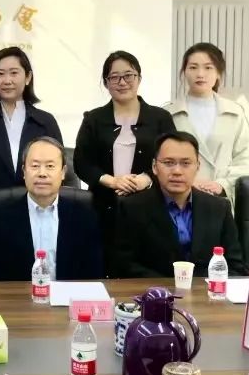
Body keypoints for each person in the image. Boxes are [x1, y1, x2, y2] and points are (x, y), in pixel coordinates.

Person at [0, 47, 63, 278]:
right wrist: (0, 207)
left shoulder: (45, 122)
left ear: (27, 77)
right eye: (0, 74)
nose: (7, 80)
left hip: (36, 216)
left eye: (14, 73)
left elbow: (54, 168)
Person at [74, 51, 176, 272]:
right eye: (114, 77)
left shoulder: (160, 118)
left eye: (128, 75)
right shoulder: (93, 119)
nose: (122, 82)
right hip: (102, 206)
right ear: (106, 82)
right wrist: (112, 181)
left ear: (139, 78)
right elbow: (82, 162)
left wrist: (146, 179)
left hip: (149, 206)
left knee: (143, 267)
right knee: (103, 266)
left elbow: (170, 159)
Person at [114, 132, 246, 278]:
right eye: (168, 163)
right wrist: (170, 287)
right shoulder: (132, 208)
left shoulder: (219, 208)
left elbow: (234, 266)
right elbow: (124, 266)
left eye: (186, 163)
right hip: (154, 290)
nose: (177, 171)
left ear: (198, 166)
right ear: (154, 167)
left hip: (205, 290)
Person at [0, 137, 104, 281]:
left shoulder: (84, 217)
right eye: (35, 166)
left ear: (63, 172)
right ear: (24, 171)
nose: (42, 173)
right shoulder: (0, 218)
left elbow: (93, 273)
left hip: (68, 294)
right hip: (18, 294)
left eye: (50, 166)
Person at [163, 42, 249, 203]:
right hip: (178, 198)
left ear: (218, 73)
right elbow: (160, 160)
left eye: (208, 68)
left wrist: (222, 184)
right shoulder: (168, 113)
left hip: (220, 199)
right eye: (193, 67)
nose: (200, 74)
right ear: (184, 72)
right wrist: (187, 182)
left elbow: (247, 160)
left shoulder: (235, 112)